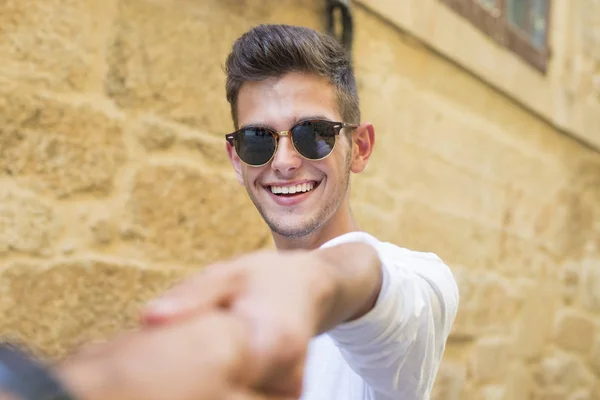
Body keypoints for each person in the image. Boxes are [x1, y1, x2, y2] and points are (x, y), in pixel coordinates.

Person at [141, 24, 460, 400]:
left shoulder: (422, 279)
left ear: (359, 148)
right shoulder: (233, 312)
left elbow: (387, 302)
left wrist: (314, 283)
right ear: (237, 161)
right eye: (258, 139)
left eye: (313, 133)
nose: (285, 162)